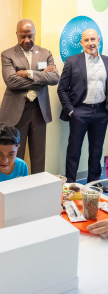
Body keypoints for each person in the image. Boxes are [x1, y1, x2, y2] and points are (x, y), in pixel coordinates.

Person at [0, 19, 59, 174]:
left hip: (39, 110)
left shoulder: (46, 53)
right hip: (17, 111)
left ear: (35, 34)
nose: (26, 40)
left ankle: (37, 190)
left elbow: (54, 78)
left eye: (30, 36)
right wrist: (41, 77)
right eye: (22, 36)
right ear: (17, 34)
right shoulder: (8, 54)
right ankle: (14, 188)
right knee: (15, 154)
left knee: (39, 155)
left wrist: (29, 73)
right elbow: (11, 82)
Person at [58, 29, 108, 190]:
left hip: (101, 112)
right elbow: (62, 89)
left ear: (99, 40)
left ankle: (93, 184)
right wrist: (71, 111)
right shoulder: (72, 61)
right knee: (74, 150)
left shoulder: (106, 61)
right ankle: (70, 184)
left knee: (96, 151)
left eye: (93, 39)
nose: (90, 43)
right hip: (79, 112)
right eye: (86, 40)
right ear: (81, 43)